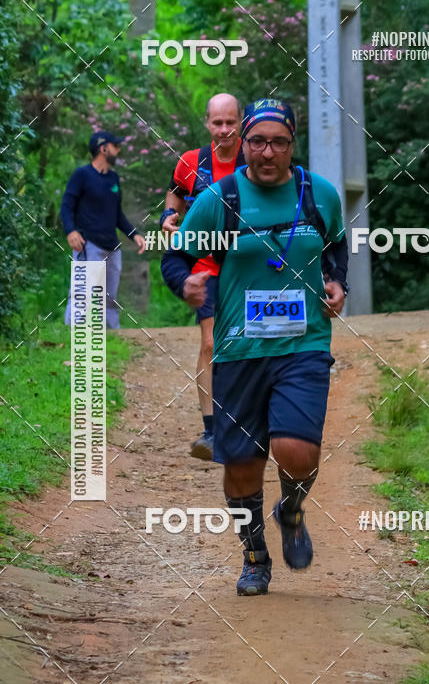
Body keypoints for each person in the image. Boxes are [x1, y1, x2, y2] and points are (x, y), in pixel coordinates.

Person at [161, 98, 349, 596]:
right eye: (258, 142)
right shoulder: (221, 198)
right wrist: (186, 285)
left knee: (296, 449)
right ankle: (254, 554)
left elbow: (336, 242)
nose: (268, 152)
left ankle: (290, 507)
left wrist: (335, 281)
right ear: (243, 144)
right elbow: (175, 256)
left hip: (303, 343)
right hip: (238, 348)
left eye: (279, 142)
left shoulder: (317, 194)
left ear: (292, 145)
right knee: (242, 463)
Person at [160, 93, 246, 460]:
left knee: (248, 344)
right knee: (211, 343)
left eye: (230, 122)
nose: (224, 130)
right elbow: (175, 193)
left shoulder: (256, 155)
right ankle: (212, 432)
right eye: (217, 123)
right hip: (205, 265)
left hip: (250, 267)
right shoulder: (192, 162)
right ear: (207, 123)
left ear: (241, 120)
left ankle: (250, 425)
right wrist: (167, 216)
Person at [61, 130, 145, 329]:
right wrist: (70, 231)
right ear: (103, 148)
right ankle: (76, 332)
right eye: (115, 146)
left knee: (109, 296)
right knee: (83, 292)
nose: (119, 150)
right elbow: (66, 205)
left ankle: (111, 334)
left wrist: (135, 235)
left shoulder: (113, 179)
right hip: (88, 243)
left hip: (111, 247)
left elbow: (117, 215)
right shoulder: (82, 175)